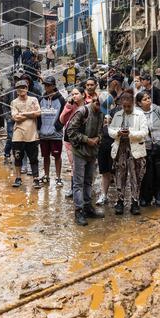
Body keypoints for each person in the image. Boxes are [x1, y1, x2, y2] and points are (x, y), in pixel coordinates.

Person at [64, 89, 105, 226]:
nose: (100, 109)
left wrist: (98, 138)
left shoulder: (101, 113)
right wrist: (87, 140)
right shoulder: (83, 112)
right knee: (78, 183)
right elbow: (70, 131)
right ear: (95, 101)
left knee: (88, 181)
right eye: (99, 105)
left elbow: (101, 131)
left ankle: (88, 207)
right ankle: (79, 211)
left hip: (92, 152)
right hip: (80, 151)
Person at [108, 90, 149, 216]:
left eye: (128, 106)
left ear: (133, 104)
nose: (126, 108)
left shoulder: (140, 115)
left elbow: (144, 132)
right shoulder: (118, 115)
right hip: (120, 148)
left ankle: (135, 202)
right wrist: (118, 133)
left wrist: (130, 134)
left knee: (136, 176)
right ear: (121, 104)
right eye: (124, 106)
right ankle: (120, 201)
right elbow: (110, 130)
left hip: (135, 149)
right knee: (120, 175)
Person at [137, 91, 160, 207]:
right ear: (139, 103)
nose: (148, 100)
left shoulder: (157, 109)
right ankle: (145, 198)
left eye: (148, 98)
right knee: (147, 174)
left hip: (159, 145)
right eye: (145, 99)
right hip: (144, 147)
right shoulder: (137, 113)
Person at [9, 80, 42, 188]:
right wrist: (31, 114)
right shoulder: (14, 102)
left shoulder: (34, 100)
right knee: (17, 157)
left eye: (23, 87)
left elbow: (38, 113)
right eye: (19, 88)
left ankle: (36, 179)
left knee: (33, 158)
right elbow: (15, 117)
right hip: (18, 135)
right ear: (16, 90)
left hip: (32, 135)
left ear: (27, 88)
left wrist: (23, 113)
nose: (21, 89)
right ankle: (18, 178)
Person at [38, 76, 66, 187]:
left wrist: (58, 126)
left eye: (49, 85)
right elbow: (37, 115)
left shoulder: (61, 99)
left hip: (56, 134)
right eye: (45, 85)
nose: (46, 87)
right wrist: (39, 127)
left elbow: (65, 114)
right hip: (43, 134)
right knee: (45, 156)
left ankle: (58, 177)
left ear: (54, 86)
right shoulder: (41, 99)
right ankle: (46, 175)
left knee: (57, 156)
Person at [96, 78, 120, 205]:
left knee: (117, 172)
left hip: (115, 144)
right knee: (105, 172)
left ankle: (119, 198)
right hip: (103, 145)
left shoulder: (118, 112)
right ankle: (104, 195)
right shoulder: (97, 113)